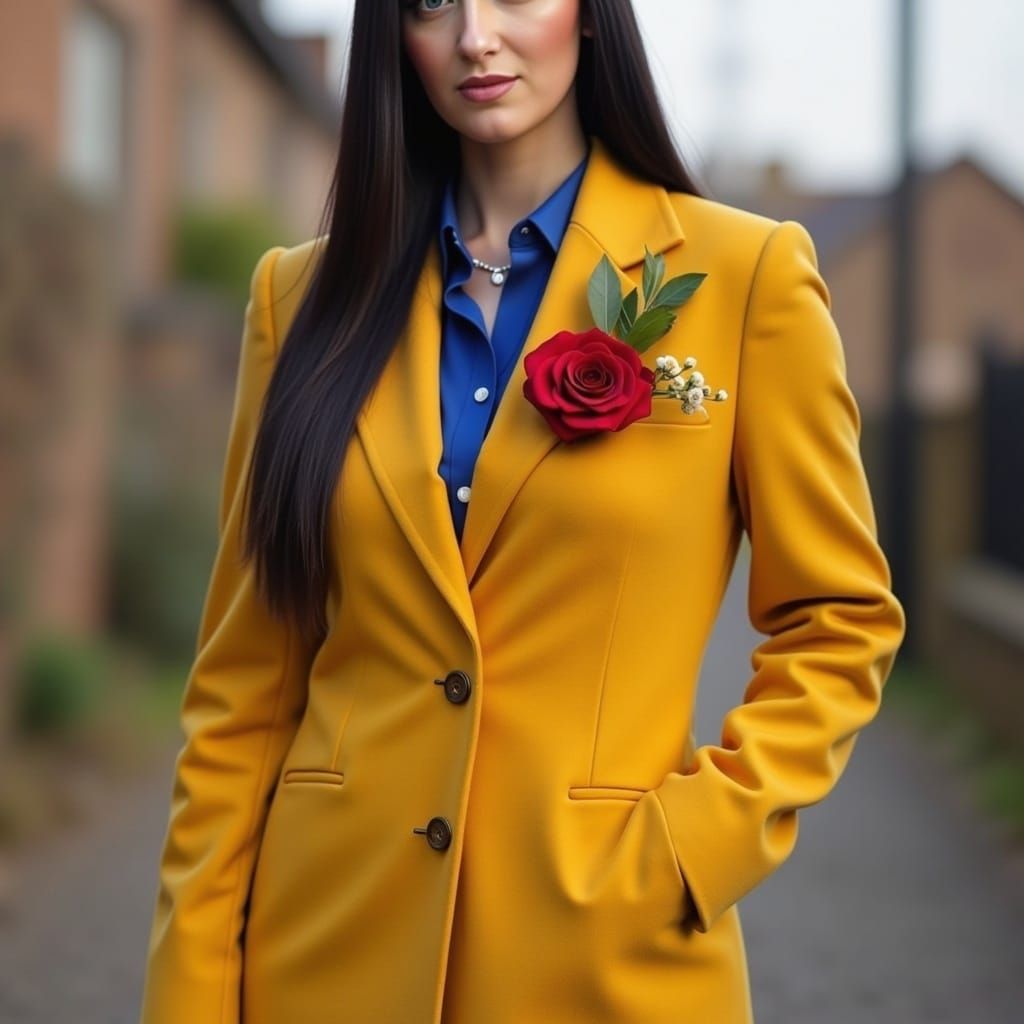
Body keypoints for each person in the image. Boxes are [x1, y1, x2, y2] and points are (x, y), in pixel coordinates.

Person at [139, 1, 907, 1022]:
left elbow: (840, 621)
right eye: (429, 5)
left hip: (607, 957)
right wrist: (189, 992)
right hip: (323, 954)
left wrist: (693, 846)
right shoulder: (300, 299)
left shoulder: (742, 280)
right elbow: (242, 692)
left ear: (590, 16)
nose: (473, 39)